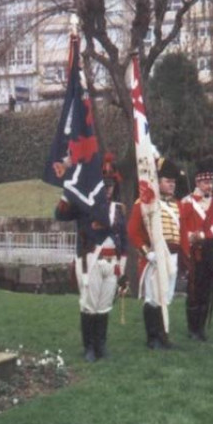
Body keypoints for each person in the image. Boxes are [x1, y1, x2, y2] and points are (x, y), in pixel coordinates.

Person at [54, 155, 127, 362]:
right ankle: (89, 347)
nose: (108, 189)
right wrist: (68, 194)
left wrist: (122, 266)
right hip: (90, 261)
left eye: (111, 185)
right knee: (89, 305)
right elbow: (60, 214)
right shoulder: (83, 204)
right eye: (104, 185)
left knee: (104, 305)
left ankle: (100, 345)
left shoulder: (118, 209)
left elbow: (124, 239)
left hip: (112, 263)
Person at [128, 157, 182, 349]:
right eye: (168, 181)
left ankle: (163, 335)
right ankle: (152, 338)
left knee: (165, 297)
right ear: (158, 182)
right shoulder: (145, 204)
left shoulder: (177, 205)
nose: (172, 185)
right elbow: (133, 231)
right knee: (152, 297)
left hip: (172, 257)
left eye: (174, 182)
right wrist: (146, 252)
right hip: (155, 256)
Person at [180, 157, 213, 341]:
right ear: (198, 181)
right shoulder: (187, 202)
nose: (209, 186)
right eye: (206, 182)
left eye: (211, 182)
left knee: (208, 290)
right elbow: (182, 227)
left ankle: (202, 328)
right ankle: (193, 328)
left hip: (211, 250)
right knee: (194, 290)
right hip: (195, 250)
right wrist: (191, 237)